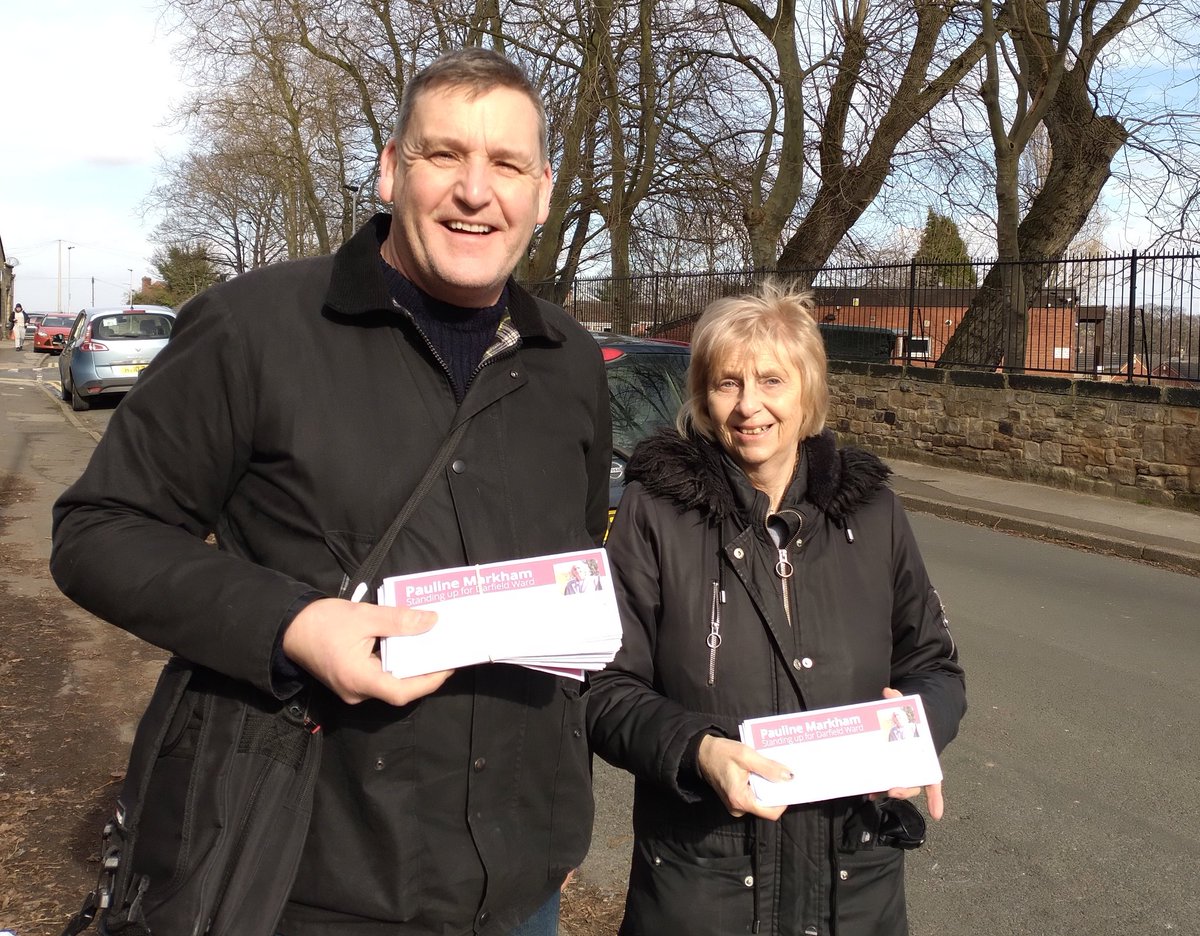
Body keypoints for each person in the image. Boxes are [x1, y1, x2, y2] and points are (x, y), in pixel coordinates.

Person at [50, 47, 610, 936]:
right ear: (392, 170)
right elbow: (99, 530)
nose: (477, 191)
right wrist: (293, 626)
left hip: (518, 882)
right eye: (444, 156)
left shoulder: (571, 363)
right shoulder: (255, 327)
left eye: (506, 164)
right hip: (306, 876)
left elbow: (578, 577)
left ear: (541, 192)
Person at [587, 279, 966, 936]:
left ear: (808, 393)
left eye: (771, 381)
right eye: (727, 383)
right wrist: (697, 749)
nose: (749, 406)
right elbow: (603, 686)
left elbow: (934, 665)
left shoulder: (873, 513)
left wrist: (916, 733)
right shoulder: (656, 513)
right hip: (703, 886)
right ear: (703, 397)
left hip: (852, 885)